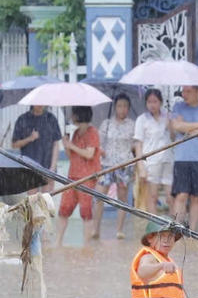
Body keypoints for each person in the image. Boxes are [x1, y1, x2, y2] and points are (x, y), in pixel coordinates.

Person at [167, 83, 198, 227]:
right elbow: (176, 126)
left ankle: (192, 231)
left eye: (188, 91)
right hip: (182, 158)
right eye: (183, 91)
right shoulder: (178, 107)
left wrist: (186, 127)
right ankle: (178, 227)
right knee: (181, 195)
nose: (184, 94)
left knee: (197, 197)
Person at [58, 106, 102, 238]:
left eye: (73, 114)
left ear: (78, 115)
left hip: (87, 177)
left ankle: (86, 248)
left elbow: (89, 154)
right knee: (63, 210)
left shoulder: (93, 132)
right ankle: (58, 243)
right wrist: (66, 144)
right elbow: (71, 155)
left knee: (86, 212)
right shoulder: (76, 133)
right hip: (72, 176)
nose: (71, 117)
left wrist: (71, 146)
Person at [98, 93, 137, 239]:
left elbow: (136, 144)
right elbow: (99, 142)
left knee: (122, 198)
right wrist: (101, 151)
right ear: (115, 107)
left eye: (125, 106)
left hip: (125, 166)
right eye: (119, 106)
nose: (122, 109)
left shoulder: (132, 125)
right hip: (107, 165)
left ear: (128, 108)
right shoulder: (106, 124)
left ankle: (119, 230)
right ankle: (96, 229)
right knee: (99, 195)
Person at [133, 89, 174, 218]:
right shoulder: (142, 119)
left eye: (155, 101)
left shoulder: (168, 117)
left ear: (161, 102)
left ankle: (175, 225)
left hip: (168, 160)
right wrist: (141, 168)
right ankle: (153, 225)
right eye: (149, 102)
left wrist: (171, 125)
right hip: (150, 162)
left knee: (171, 195)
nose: (152, 105)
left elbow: (174, 138)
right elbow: (138, 144)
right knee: (152, 196)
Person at [9, 100, 62, 182]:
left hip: (48, 166)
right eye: (37, 101)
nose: (40, 104)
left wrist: (53, 167)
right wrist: (29, 138)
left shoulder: (51, 119)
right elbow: (14, 144)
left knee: (47, 194)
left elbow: (56, 143)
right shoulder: (23, 119)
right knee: (32, 195)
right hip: (29, 166)